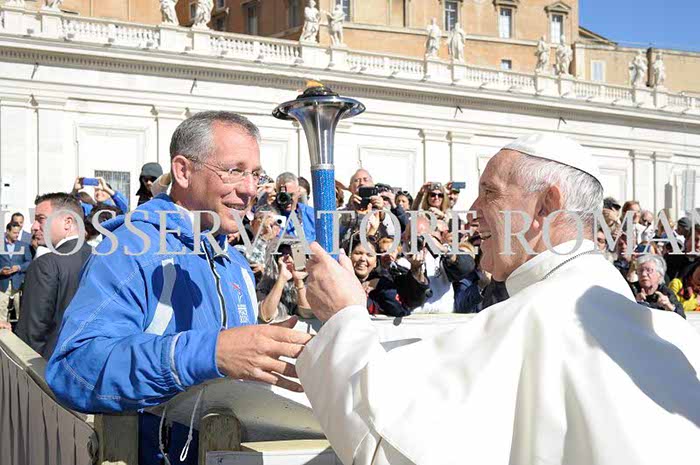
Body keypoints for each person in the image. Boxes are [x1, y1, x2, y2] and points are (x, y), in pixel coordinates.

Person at [297, 132, 700, 465]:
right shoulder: (677, 337)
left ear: (547, 205)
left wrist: (343, 317)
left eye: (489, 192)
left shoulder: (532, 320)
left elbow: (382, 449)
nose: (471, 211)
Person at [46, 111, 312, 465]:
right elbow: (74, 369)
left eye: (256, 174)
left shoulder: (234, 262)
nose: (250, 189)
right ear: (184, 171)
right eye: (235, 170)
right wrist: (210, 352)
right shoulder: (130, 248)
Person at [15, 193, 92, 359]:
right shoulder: (100, 258)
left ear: (68, 222)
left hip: (49, 365)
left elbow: (31, 332)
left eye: (40, 219)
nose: (34, 227)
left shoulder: (45, 264)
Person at [631, 254, 685, 319]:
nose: (643, 274)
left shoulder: (666, 292)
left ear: (659, 274)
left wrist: (669, 306)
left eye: (649, 270)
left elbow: (682, 318)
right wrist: (635, 304)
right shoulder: (631, 290)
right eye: (640, 270)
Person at [0, 222, 32, 324]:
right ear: (7, 231)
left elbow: (29, 262)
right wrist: (1, 271)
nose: (17, 235)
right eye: (14, 233)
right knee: (1, 310)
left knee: (21, 311)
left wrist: (19, 267)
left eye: (18, 233)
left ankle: (20, 331)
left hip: (18, 284)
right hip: (3, 284)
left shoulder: (24, 246)